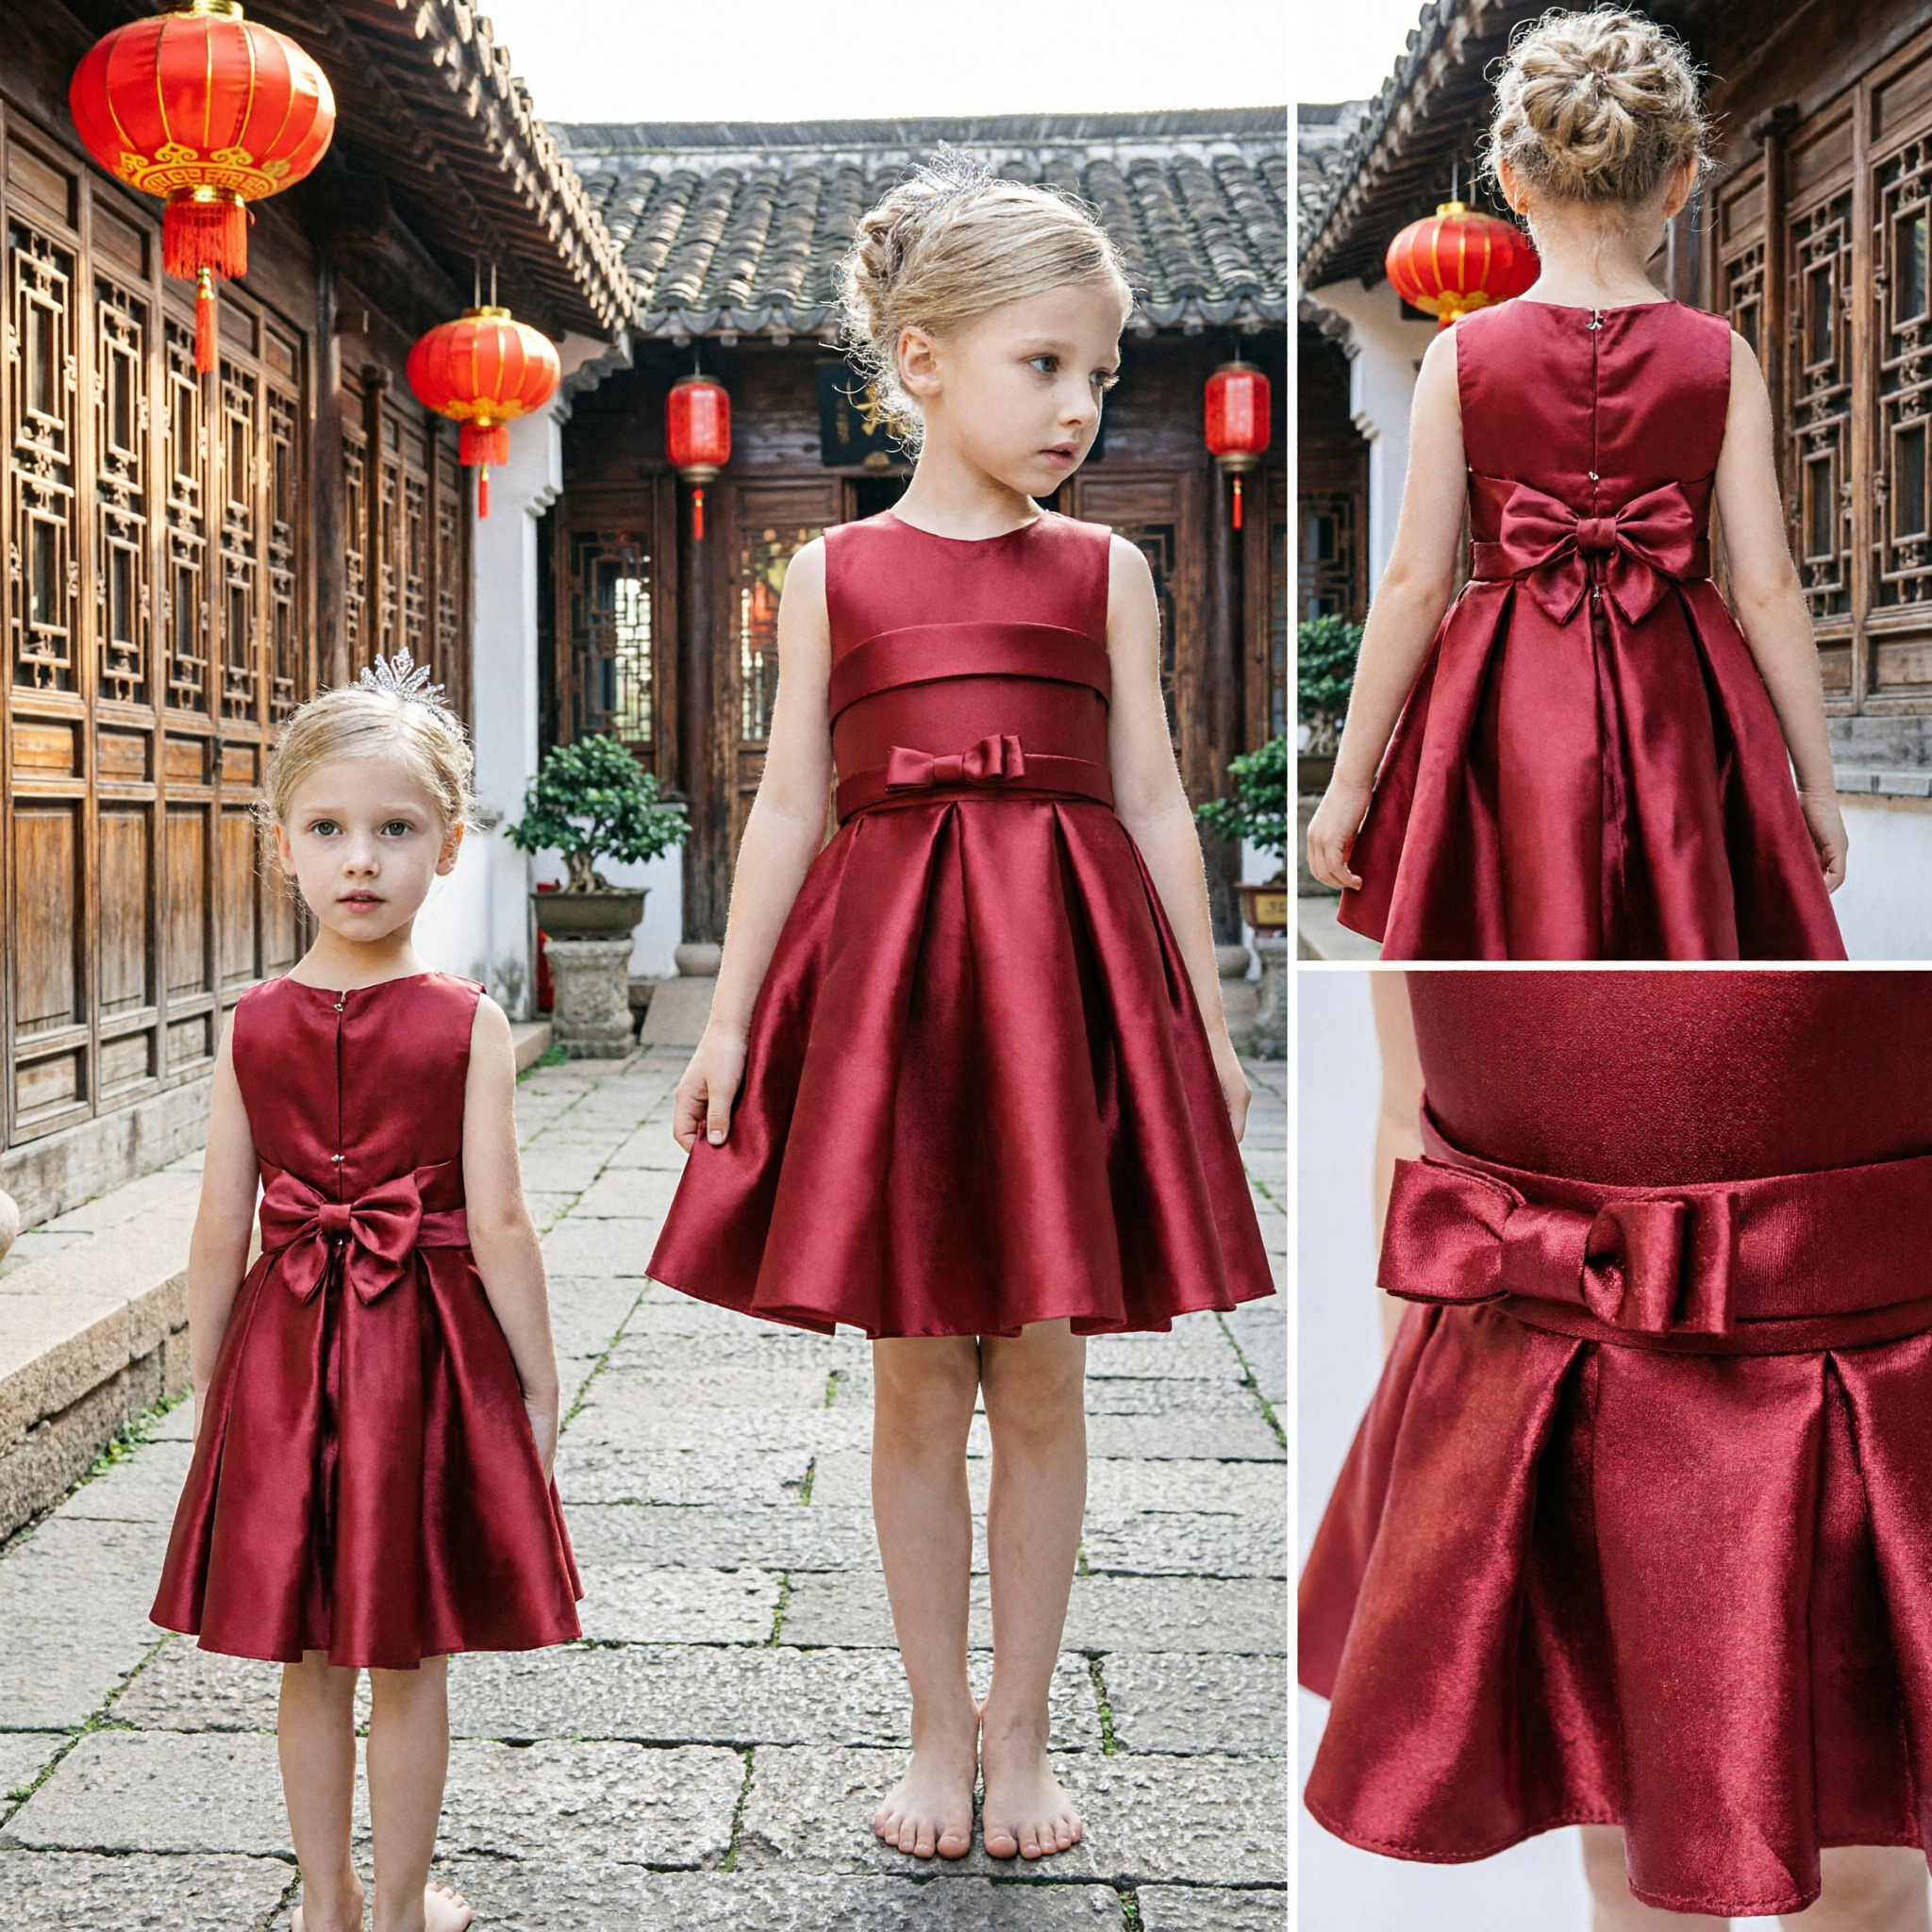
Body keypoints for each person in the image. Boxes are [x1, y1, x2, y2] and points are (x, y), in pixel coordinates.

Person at [645, 155, 1274, 1864]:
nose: (1076, 405)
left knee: (1049, 1366)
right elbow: (784, 804)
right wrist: (726, 1021)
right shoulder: (839, 572)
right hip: (897, 991)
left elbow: (1151, 793)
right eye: (1041, 364)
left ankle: (1022, 1722)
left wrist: (1205, 1008)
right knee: (918, 1368)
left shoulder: (1107, 575)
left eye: (1098, 375)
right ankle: (933, 1721)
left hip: (1064, 982)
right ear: (919, 357)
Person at [1301, 967, 1932, 1930]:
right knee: (1620, 1847)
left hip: (1849, 1402)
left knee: (1862, 1862)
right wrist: (1427, 1430)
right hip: (1541, 1399)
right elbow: (1409, 1109)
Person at [150, 655, 581, 1932]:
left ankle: (337, 1905)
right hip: (425, 1356)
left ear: (446, 848)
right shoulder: (465, 1021)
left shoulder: (254, 1021)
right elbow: (497, 1221)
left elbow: (223, 1223)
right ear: (283, 843)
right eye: (331, 829)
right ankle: (391, 1911)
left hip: (284, 1358)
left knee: (318, 1651)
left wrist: (213, 1385)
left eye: (393, 831)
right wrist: (538, 1380)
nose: (361, 859)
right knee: (396, 1649)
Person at [1305, 8, 1848, 960]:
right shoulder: (1719, 357)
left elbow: (1413, 583)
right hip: (1679, 692)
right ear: (1680, 180)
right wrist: (1812, 782)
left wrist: (1350, 782)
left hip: (1506, 694)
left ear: (1509, 180)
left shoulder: (1458, 355)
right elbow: (1764, 586)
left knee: (1515, 964)